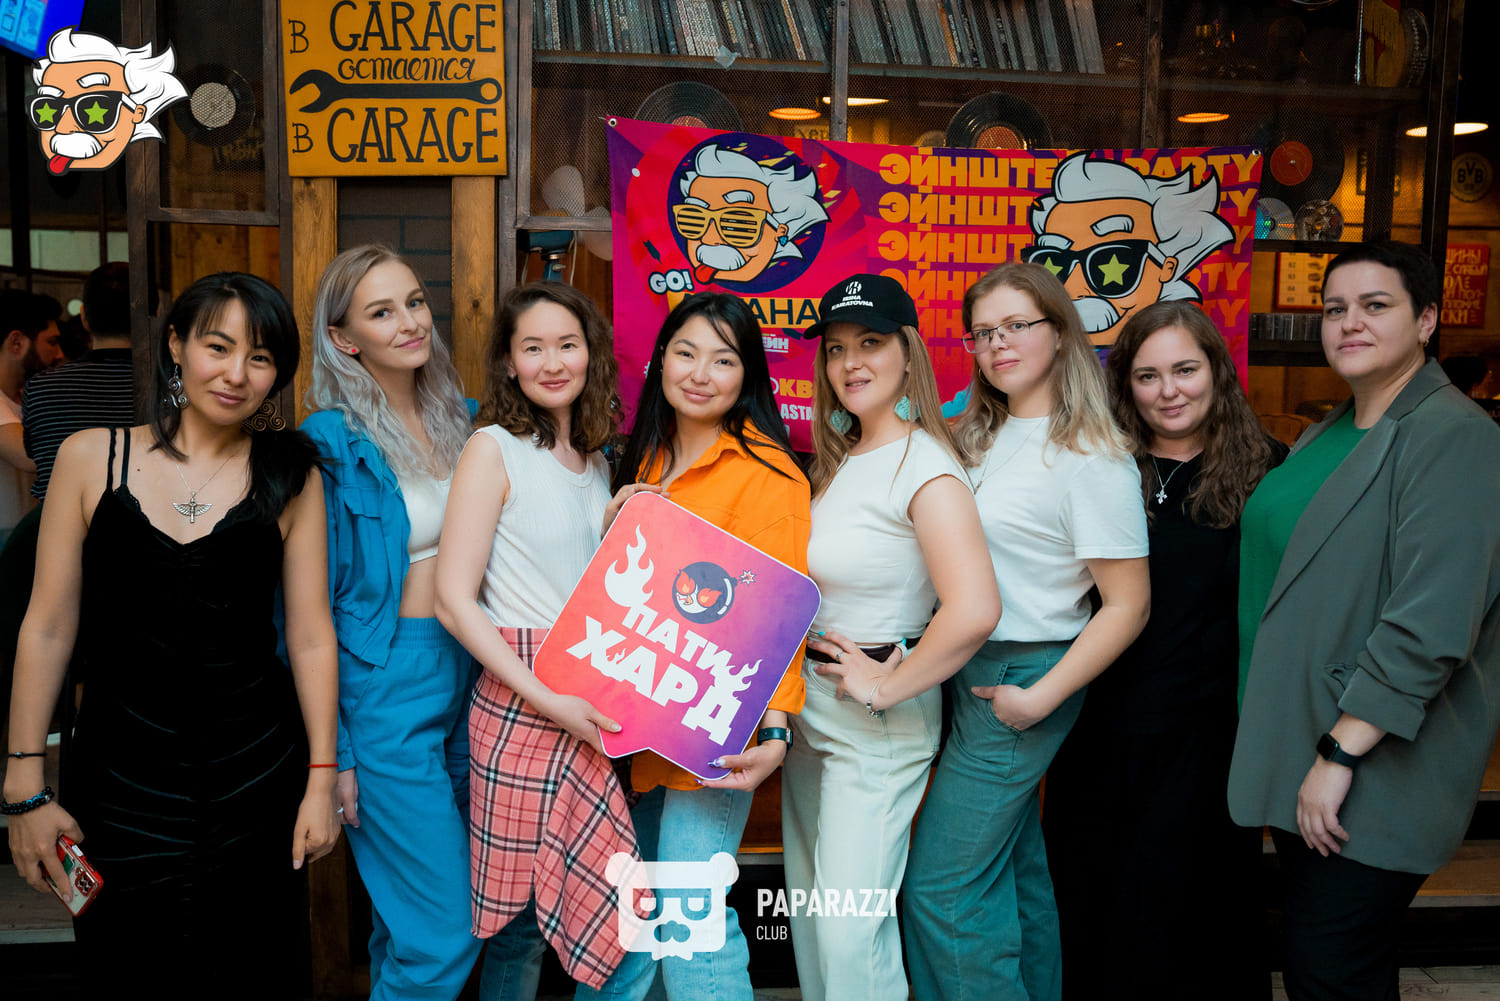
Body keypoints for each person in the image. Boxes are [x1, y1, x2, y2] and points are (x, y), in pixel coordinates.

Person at [2, 271, 339, 999]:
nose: (237, 373)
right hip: (118, 779)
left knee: (253, 975)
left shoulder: (291, 474)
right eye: (219, 346)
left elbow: (312, 634)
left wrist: (321, 779)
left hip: (257, 775)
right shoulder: (91, 457)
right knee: (125, 971)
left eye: (260, 357)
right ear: (177, 346)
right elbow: (48, 626)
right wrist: (24, 781)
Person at [1229, 241, 1500, 1001]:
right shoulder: (1329, 430)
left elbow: (1431, 625)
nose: (1350, 322)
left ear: (1427, 320)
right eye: (1335, 308)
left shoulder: (1455, 435)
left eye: (1375, 305)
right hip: (1300, 746)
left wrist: (1339, 753)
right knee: (1330, 966)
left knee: (1330, 971)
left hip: (1369, 763)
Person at [903, 261, 1150, 1001]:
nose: (997, 344)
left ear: (1061, 332)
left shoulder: (1092, 456)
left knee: (942, 890)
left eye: (1016, 325)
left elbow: (1128, 605)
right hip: (971, 668)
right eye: (982, 333)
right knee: (1014, 874)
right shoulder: (982, 434)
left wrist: (1040, 698)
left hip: (1022, 678)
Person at [1044, 300, 1284, 1001]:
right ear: (1124, 384)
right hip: (1099, 725)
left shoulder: (1269, 470)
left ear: (1217, 371)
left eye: (1185, 369)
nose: (1168, 390)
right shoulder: (1100, 465)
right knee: (1094, 902)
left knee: (1196, 910)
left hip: (1210, 736)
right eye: (1147, 376)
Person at [783, 273, 1001, 1001]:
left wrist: (885, 687)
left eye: (870, 343)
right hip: (813, 711)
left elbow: (974, 608)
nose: (850, 362)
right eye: (836, 348)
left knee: (850, 936)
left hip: (874, 720)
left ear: (908, 354)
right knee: (816, 922)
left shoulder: (926, 465)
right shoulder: (839, 462)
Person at [593, 291, 811, 1001]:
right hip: (635, 722)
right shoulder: (646, 456)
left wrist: (775, 730)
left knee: (691, 931)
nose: (699, 373)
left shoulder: (768, 472)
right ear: (660, 361)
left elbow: (780, 612)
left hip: (714, 729)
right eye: (685, 353)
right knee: (640, 925)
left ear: (747, 376)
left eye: (723, 359)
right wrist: (615, 526)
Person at [433, 281, 637, 998]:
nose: (553, 363)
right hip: (521, 698)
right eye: (533, 348)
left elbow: (577, 580)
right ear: (509, 363)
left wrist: (617, 520)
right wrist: (551, 700)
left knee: (600, 898)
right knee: (518, 922)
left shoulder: (596, 461)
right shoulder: (492, 449)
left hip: (589, 692)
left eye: (567, 345)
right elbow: (454, 602)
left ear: (591, 354)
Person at [302, 245, 481, 1000]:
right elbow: (305, 610)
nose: (410, 322)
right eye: (381, 312)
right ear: (344, 338)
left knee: (408, 923)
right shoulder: (329, 441)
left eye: (414, 301)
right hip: (386, 682)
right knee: (446, 930)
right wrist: (335, 753)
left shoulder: (461, 417)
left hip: (471, 668)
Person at [24, 263, 137, 502]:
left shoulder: (40, 389)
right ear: (153, 314)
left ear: (84, 317)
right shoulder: (173, 386)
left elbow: (35, 458)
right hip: (154, 524)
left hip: (60, 522)